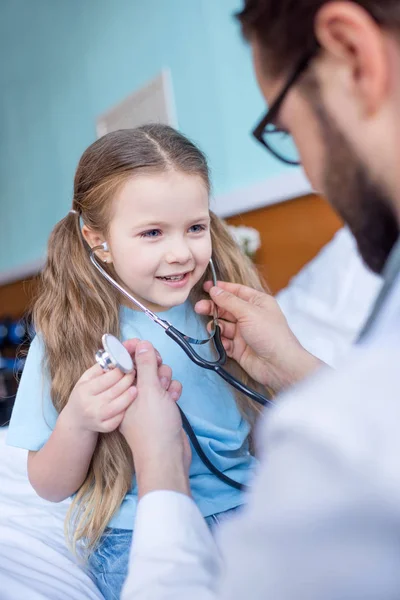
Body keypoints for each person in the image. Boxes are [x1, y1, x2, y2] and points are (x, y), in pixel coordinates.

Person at [119, 1, 400, 599]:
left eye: (288, 131)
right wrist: (295, 368)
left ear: (355, 55)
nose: (315, 177)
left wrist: (162, 472)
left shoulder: (332, 449)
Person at [5, 123, 303, 600]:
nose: (180, 252)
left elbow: (267, 431)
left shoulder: (226, 313)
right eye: (151, 232)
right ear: (97, 239)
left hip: (248, 504)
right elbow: (48, 486)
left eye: (195, 227)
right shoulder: (69, 334)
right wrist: (80, 422)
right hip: (134, 530)